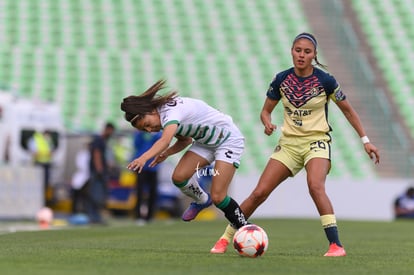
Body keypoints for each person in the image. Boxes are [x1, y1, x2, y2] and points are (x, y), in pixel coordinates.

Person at [210, 32, 380, 257]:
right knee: (260, 192)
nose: (301, 55)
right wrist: (267, 122)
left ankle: (336, 245)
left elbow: (348, 111)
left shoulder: (326, 81)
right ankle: (225, 239)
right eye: (297, 50)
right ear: (292, 51)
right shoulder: (281, 79)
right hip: (289, 144)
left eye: (307, 52)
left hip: (316, 142)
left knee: (315, 186)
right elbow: (265, 111)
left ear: (314, 55)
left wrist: (365, 141)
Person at [120, 80, 248, 230]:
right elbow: (185, 140)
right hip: (205, 143)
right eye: (145, 129)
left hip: (228, 140)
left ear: (150, 111)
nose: (149, 130)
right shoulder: (163, 117)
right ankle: (202, 200)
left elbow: (165, 140)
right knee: (179, 177)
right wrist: (167, 154)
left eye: (147, 124)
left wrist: (143, 158)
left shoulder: (170, 113)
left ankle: (244, 227)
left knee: (219, 197)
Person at [87, 122, 115, 224]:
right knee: (96, 194)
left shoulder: (102, 140)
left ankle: (95, 216)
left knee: (98, 194)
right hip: (97, 171)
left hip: (99, 170)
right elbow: (96, 154)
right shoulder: (99, 140)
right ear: (107, 129)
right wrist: (99, 169)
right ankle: (94, 217)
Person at [132, 130, 162, 225]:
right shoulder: (140, 133)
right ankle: (138, 216)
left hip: (153, 166)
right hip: (141, 166)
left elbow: (161, 145)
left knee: (153, 192)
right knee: (139, 192)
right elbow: (136, 144)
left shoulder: (157, 133)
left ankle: (150, 216)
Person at [28, 130, 55, 206]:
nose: (48, 137)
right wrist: (45, 154)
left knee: (45, 184)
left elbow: (51, 153)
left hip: (46, 164)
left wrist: (44, 154)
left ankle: (42, 202)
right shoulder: (36, 140)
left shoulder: (48, 141)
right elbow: (35, 153)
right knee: (36, 184)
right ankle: (34, 201)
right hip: (38, 165)